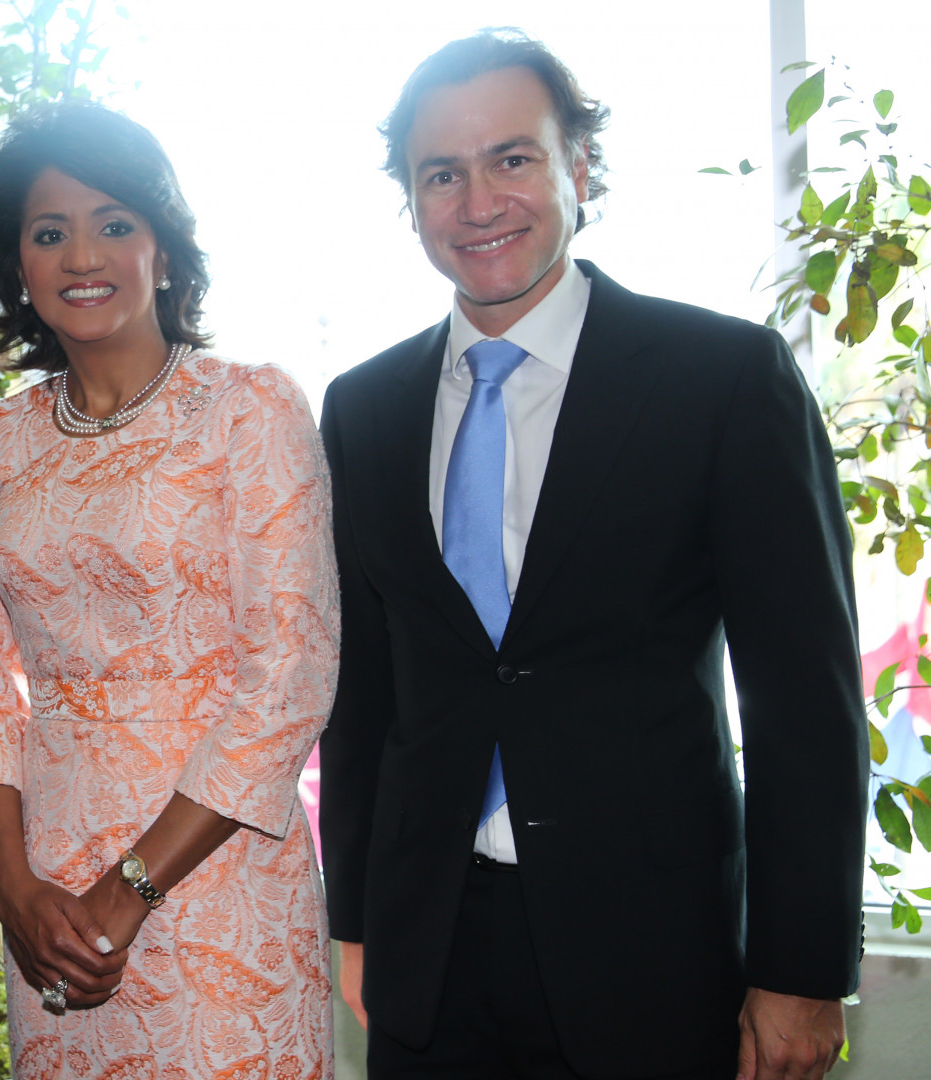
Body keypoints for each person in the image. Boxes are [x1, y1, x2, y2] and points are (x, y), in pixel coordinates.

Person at [319, 30, 866, 1080]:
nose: (479, 202)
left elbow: (804, 698)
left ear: (578, 165)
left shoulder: (722, 378)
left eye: (512, 158)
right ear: (412, 201)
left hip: (653, 950)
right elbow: (365, 695)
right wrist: (357, 920)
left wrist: (799, 969)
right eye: (442, 174)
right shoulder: (364, 408)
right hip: (428, 954)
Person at [0, 102, 340, 1080]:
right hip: (50, 897)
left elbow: (289, 677)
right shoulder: (0, 439)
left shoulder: (249, 408)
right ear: (18, 267)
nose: (83, 255)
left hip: (218, 877)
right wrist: (10, 883)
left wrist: (129, 892)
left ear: (163, 249)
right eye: (50, 233)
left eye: (114, 223)